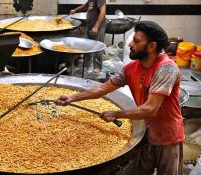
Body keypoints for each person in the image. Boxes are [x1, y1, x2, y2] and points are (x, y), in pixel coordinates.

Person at [55, 21, 184, 175]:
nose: (130, 44)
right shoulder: (131, 68)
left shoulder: (166, 68)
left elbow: (150, 109)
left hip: (168, 137)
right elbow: (103, 88)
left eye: (136, 41)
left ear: (151, 46)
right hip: (146, 134)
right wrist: (72, 98)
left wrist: (116, 114)